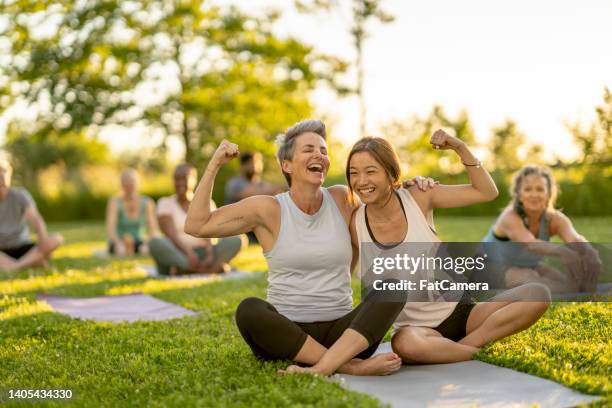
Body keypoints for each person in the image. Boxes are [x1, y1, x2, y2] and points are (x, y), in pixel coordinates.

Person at [185, 119, 436, 377]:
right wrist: (214, 164)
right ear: (287, 164)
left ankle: (329, 363)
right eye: (308, 150)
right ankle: (348, 366)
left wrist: (412, 189)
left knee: (392, 287)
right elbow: (197, 224)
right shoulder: (268, 209)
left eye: (324, 151)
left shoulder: (342, 198)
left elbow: (382, 199)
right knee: (249, 309)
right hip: (285, 337)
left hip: (343, 336)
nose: (319, 155)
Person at [347, 133, 551, 364]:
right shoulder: (355, 223)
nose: (361, 181)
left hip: (464, 314)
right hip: (416, 331)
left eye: (371, 171)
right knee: (404, 345)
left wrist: (459, 146)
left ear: (391, 172)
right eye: (354, 173)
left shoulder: (419, 197)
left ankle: (461, 347)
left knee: (537, 294)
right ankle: (474, 351)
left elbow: (486, 191)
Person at [480, 165, 601, 293]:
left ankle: (577, 290)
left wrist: (589, 251)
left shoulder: (555, 219)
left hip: (529, 265)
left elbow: (574, 238)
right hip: (492, 267)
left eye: (540, 189)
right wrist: (564, 252)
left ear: (548, 194)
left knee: (566, 282)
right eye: (527, 189)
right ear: (519, 195)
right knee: (545, 286)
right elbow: (530, 244)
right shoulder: (510, 217)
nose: (534, 194)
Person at [149, 163, 246, 275]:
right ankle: (202, 269)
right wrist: (188, 252)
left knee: (238, 238)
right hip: (178, 253)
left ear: (194, 180)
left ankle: (188, 270)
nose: (180, 183)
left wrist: (209, 253)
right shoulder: (165, 203)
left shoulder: (207, 202)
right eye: (177, 179)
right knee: (155, 242)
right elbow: (170, 234)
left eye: (184, 178)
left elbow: (211, 232)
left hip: (203, 253)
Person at [0, 156, 63, 272]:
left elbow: (36, 219)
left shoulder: (20, 195)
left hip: (23, 246)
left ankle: (15, 266)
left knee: (56, 239)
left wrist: (43, 239)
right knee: (43, 256)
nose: (2, 178)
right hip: (2, 251)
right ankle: (32, 262)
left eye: (4, 173)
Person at [105, 168, 159, 256]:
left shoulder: (147, 202)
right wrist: (118, 243)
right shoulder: (114, 202)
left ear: (138, 183)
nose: (129, 184)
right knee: (121, 251)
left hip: (139, 241)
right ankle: (127, 247)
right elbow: (111, 229)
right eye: (126, 182)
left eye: (132, 181)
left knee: (145, 250)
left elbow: (153, 229)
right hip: (119, 241)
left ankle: (132, 248)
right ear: (122, 184)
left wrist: (146, 244)